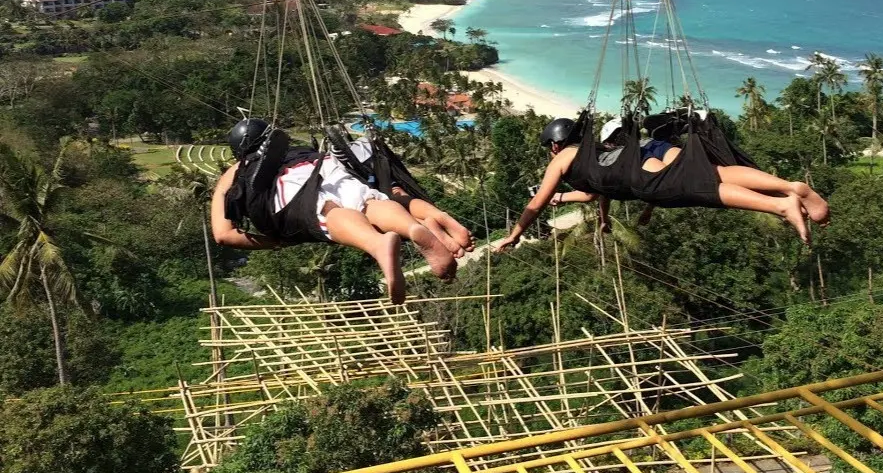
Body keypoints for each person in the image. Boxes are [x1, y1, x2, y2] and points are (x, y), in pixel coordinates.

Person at [210, 119, 457, 305]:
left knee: (327, 211)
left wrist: (278, 242)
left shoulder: (236, 171)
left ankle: (377, 244)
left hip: (283, 186)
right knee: (368, 202)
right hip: (321, 164)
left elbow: (223, 235)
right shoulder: (295, 149)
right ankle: (413, 227)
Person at [494, 116, 829, 253]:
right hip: (644, 152)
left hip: (637, 166)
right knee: (712, 172)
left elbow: (536, 203)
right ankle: (788, 187)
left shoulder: (563, 158)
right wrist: (592, 212)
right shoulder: (593, 150)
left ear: (556, 143)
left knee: (695, 187)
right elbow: (599, 191)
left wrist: (515, 234)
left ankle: (779, 204)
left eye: (549, 146)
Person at [347, 136, 475, 258]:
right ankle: (437, 215)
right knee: (399, 194)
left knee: (374, 209)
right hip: (376, 158)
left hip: (356, 171)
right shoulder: (365, 144)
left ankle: (424, 226)